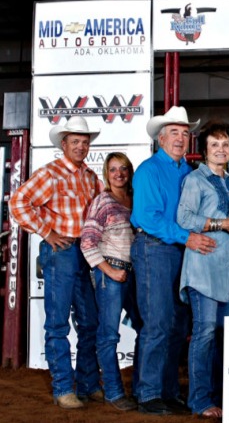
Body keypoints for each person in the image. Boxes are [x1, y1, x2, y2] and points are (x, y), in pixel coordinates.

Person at [9, 117, 103, 409]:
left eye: (85, 142)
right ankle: (63, 388)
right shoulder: (50, 173)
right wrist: (47, 232)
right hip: (61, 251)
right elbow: (18, 202)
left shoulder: (90, 177)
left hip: (85, 252)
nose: (81, 146)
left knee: (90, 323)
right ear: (64, 144)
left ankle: (87, 384)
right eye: (75, 141)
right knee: (58, 323)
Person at [130, 105, 217, 416]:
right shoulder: (149, 170)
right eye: (174, 133)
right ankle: (148, 392)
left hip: (179, 250)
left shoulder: (186, 171)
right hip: (155, 248)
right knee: (158, 323)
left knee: (178, 324)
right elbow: (148, 219)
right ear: (161, 138)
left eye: (185, 133)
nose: (181, 138)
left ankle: (166, 391)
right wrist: (188, 237)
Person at [177, 121, 229, 418]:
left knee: (220, 334)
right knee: (205, 333)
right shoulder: (196, 180)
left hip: (226, 268)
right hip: (203, 268)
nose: (221, 150)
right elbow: (183, 217)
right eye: (214, 145)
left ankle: (220, 396)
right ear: (204, 151)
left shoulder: (228, 182)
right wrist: (222, 224)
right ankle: (199, 400)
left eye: (225, 145)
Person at [81, 152, 141, 411]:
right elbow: (87, 242)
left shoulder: (135, 198)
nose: (119, 174)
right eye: (114, 169)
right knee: (108, 335)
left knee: (146, 328)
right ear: (107, 173)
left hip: (135, 272)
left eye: (124, 168)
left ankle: (142, 386)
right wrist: (108, 270)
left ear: (129, 171)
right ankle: (114, 392)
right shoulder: (102, 201)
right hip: (112, 272)